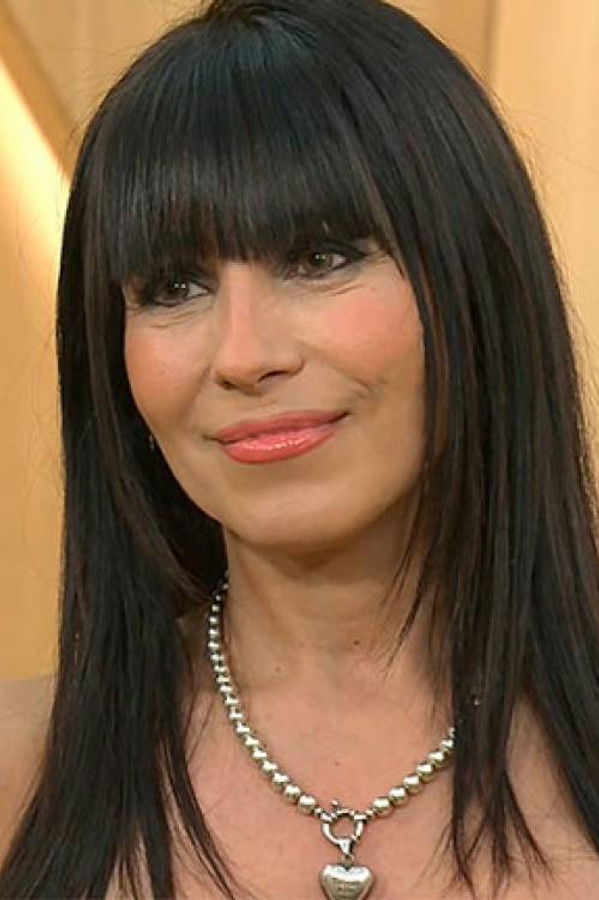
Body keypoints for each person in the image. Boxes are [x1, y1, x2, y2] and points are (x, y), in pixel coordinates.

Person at [2, 0, 599, 897]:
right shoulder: (23, 775)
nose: (243, 355)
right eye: (174, 286)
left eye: (319, 259)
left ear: (476, 285)